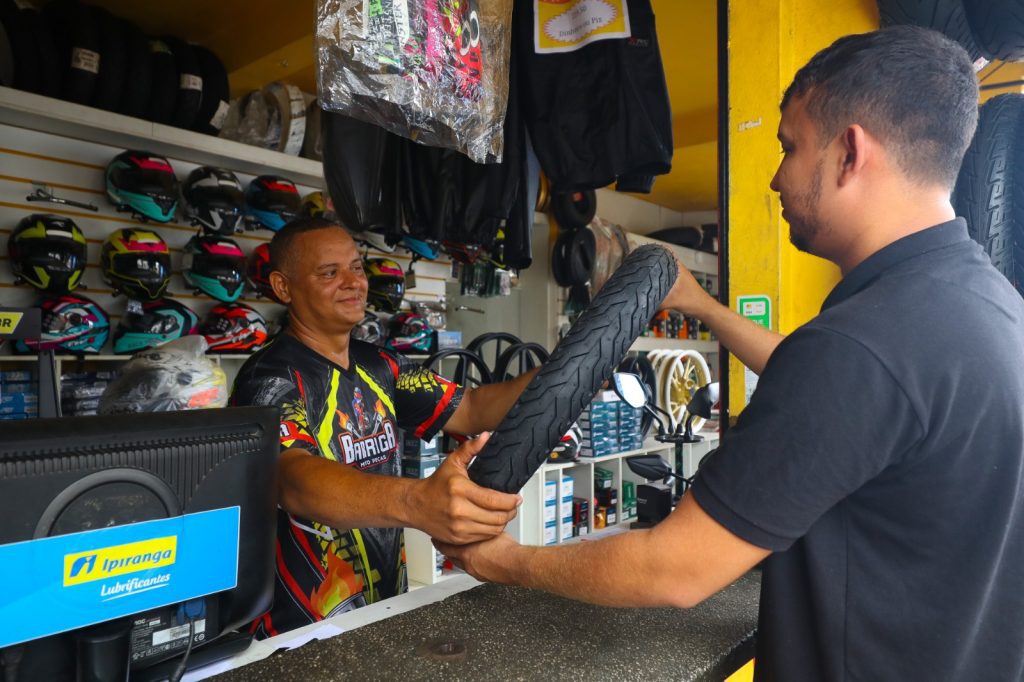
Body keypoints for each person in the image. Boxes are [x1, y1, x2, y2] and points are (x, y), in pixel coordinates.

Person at [438, 26, 1024, 680]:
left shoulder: (859, 347)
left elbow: (675, 570)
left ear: (849, 152)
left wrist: (504, 560)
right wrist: (705, 308)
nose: (775, 177)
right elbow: (850, 396)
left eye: (790, 147)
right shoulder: (987, 306)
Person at [231, 217, 536, 638]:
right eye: (329, 272)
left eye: (356, 267)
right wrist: (418, 502)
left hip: (383, 607)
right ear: (284, 287)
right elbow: (294, 478)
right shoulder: (268, 379)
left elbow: (472, 407)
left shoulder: (382, 364)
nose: (353, 282)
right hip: (300, 630)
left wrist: (569, 370)